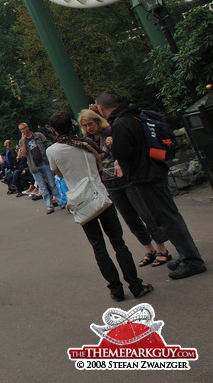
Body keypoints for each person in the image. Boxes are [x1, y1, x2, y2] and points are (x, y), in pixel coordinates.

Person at [94, 92, 206, 280]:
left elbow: (122, 152)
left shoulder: (121, 123)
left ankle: (192, 260)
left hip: (143, 176)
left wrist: (112, 145)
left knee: (168, 218)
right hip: (154, 170)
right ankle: (186, 255)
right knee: (169, 216)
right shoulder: (133, 115)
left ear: (100, 109)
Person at [45, 111, 153, 301]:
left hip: (82, 203)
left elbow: (59, 174)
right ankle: (135, 285)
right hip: (102, 196)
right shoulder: (87, 143)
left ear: (54, 130)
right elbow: (99, 166)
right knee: (118, 243)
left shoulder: (52, 151)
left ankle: (116, 291)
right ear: (72, 125)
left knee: (98, 247)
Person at [79, 108, 173, 268]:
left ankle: (162, 248)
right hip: (109, 182)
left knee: (145, 213)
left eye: (91, 124)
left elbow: (124, 149)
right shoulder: (88, 141)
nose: (89, 128)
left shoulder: (109, 131)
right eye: (86, 126)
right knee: (130, 218)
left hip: (125, 177)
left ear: (97, 121)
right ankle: (148, 249)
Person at [19, 122, 62, 214]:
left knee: (52, 184)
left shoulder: (38, 135)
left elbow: (47, 145)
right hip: (34, 166)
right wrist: (23, 141)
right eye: (21, 129)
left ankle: (60, 202)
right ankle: (49, 206)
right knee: (42, 187)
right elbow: (23, 154)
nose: (23, 131)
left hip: (44, 162)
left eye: (24, 128)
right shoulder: (21, 141)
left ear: (28, 127)